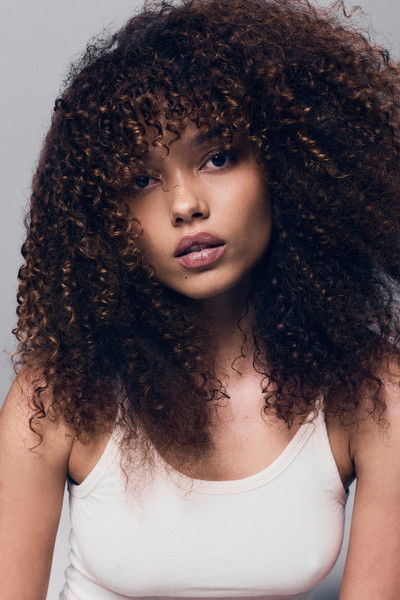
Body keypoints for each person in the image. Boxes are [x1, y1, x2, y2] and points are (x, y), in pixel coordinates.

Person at [1, 0, 400, 598]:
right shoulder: (58, 397)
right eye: (140, 180)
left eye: (218, 158)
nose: (186, 205)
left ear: (285, 167)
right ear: (104, 216)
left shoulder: (374, 394)